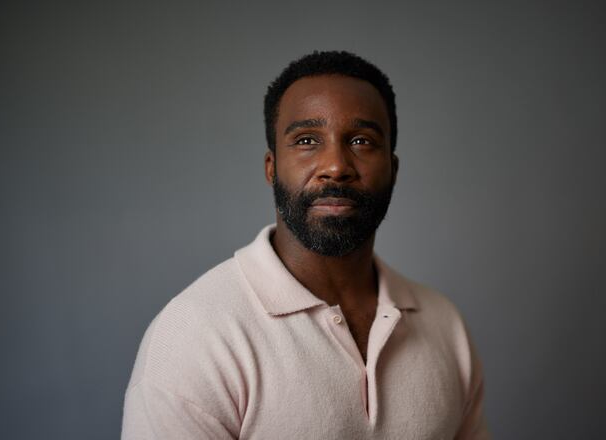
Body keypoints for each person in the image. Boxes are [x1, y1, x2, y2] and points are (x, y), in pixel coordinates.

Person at [122, 50, 488, 439]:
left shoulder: (444, 324)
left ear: (393, 170)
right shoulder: (195, 336)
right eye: (307, 140)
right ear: (271, 167)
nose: (335, 165)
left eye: (362, 140)